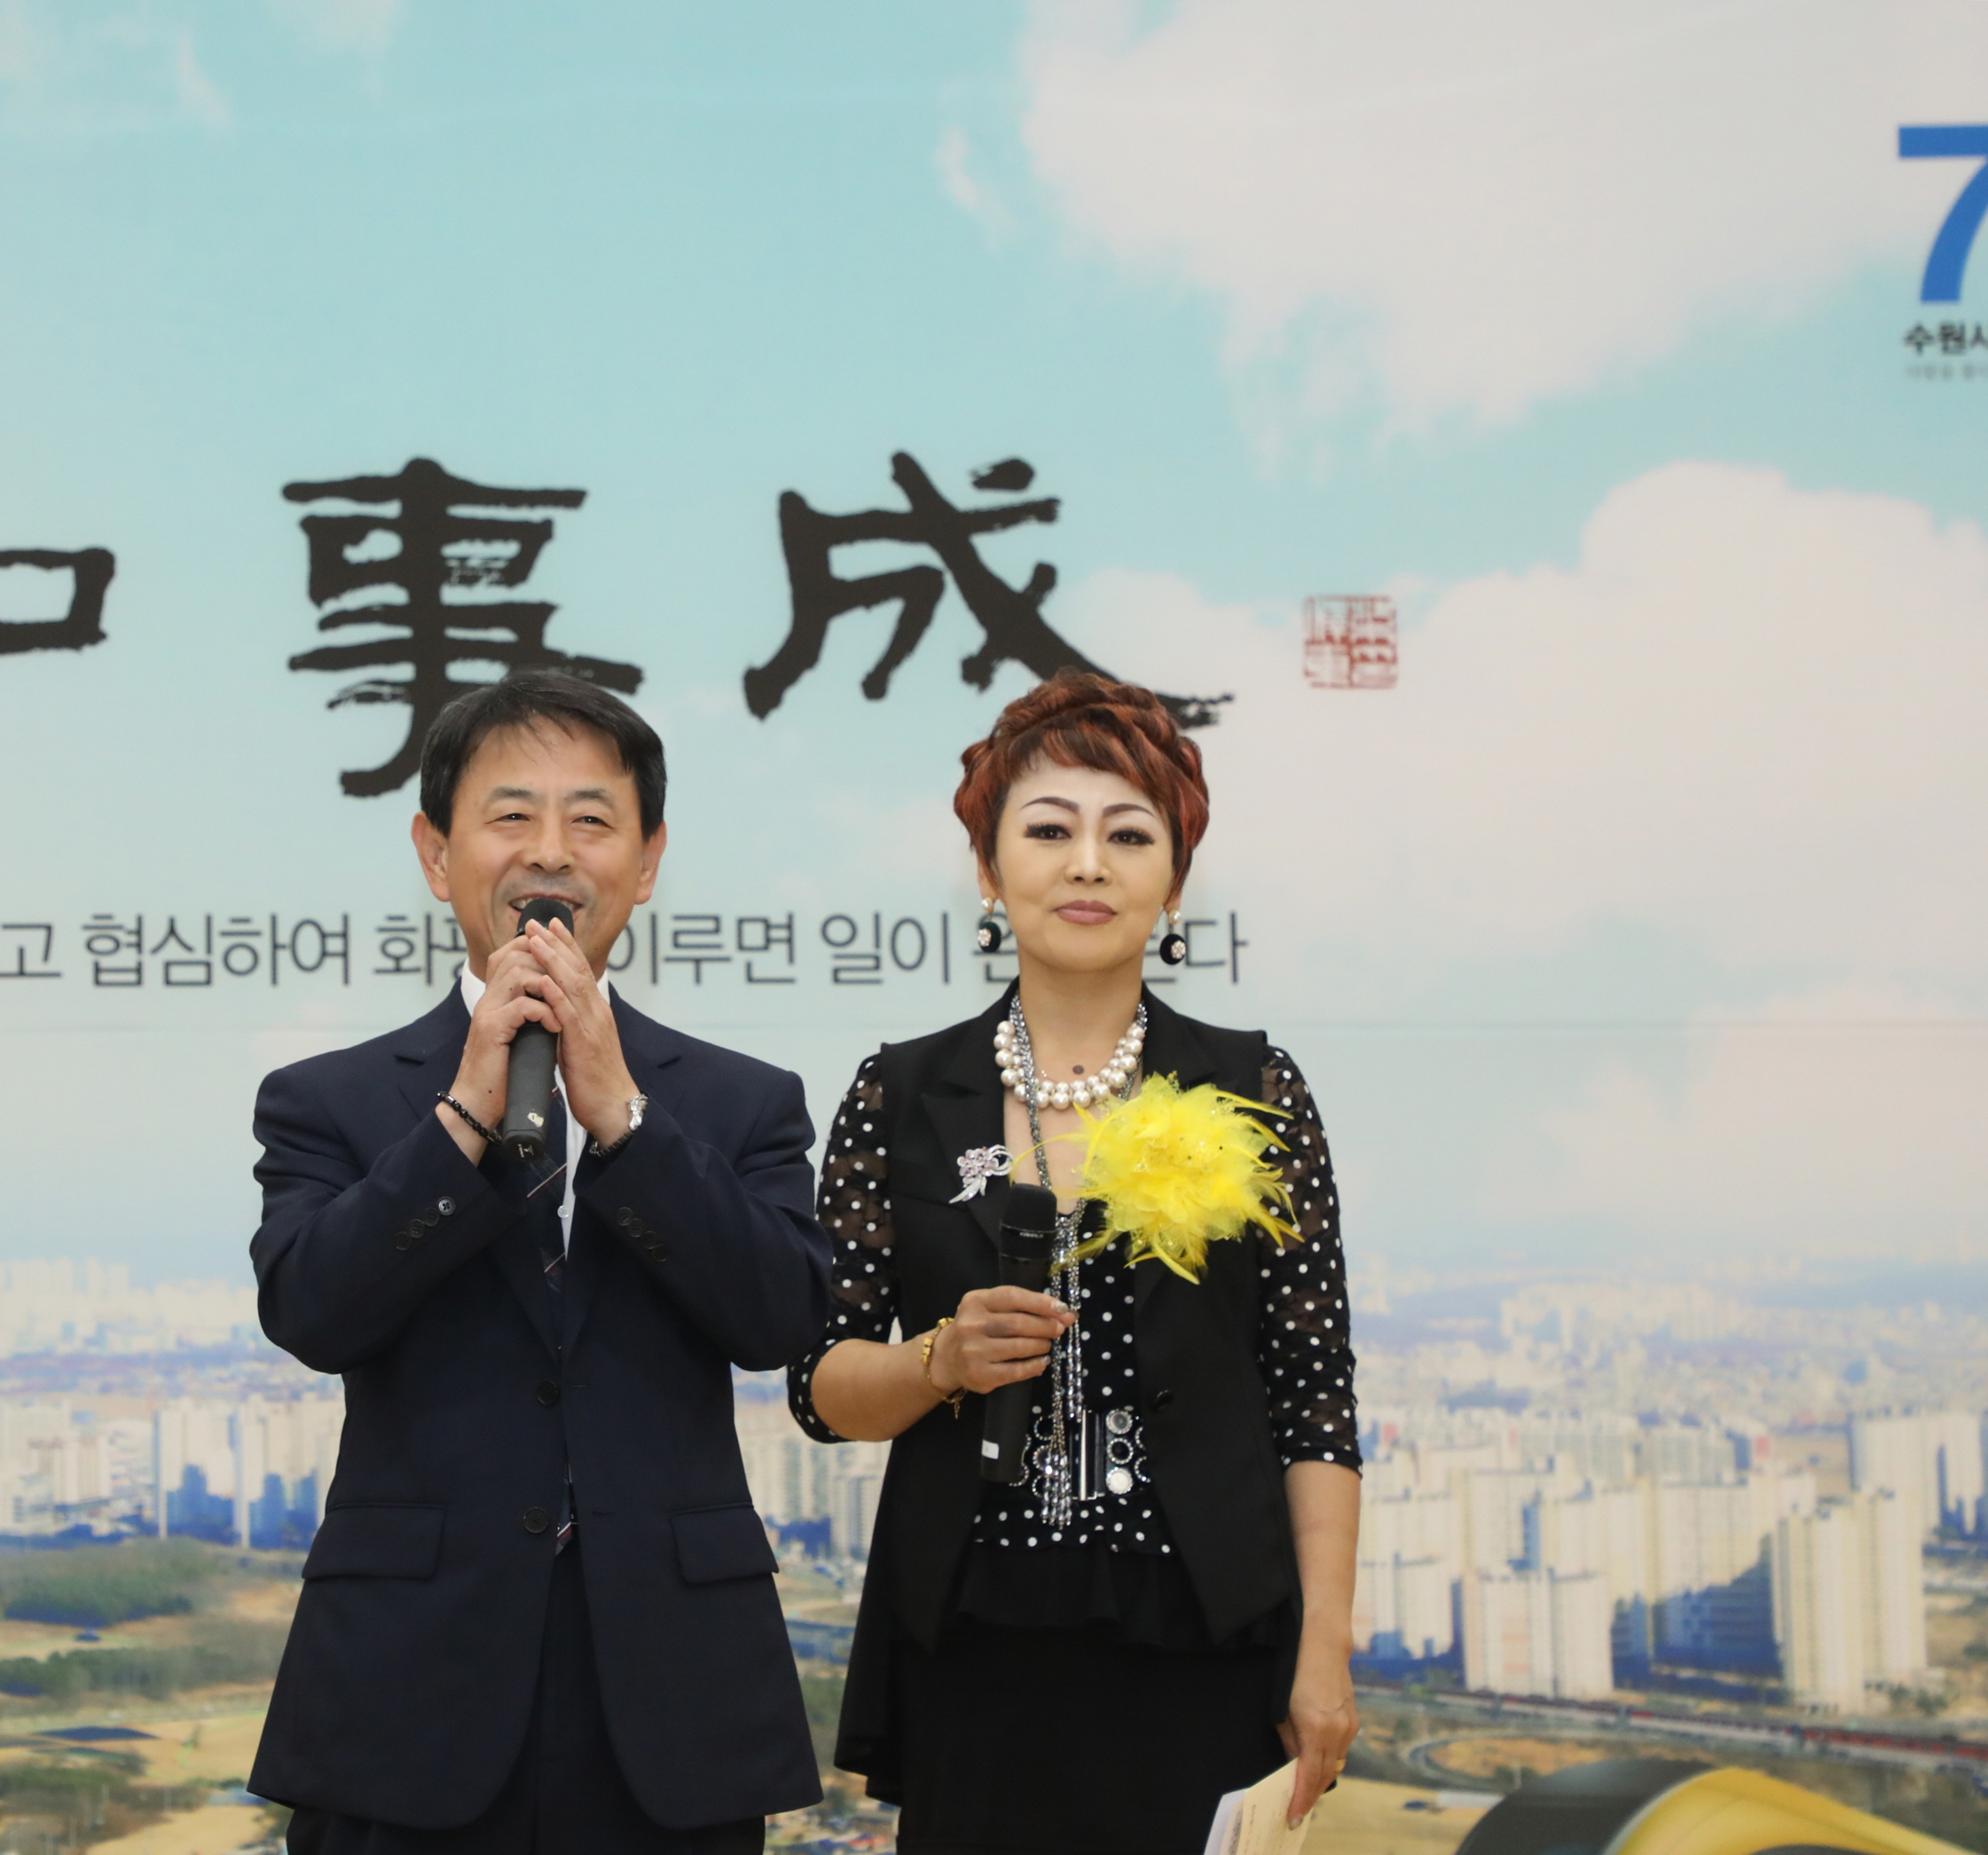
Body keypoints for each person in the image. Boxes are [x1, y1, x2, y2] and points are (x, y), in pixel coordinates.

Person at [248, 673, 829, 1854]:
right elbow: (311, 1310)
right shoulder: (329, 1100)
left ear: (648, 861)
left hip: (671, 1701)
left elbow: (780, 1318)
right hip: (406, 1695)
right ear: (435, 852)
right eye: (510, 815)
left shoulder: (741, 1103)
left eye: (591, 819)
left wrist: (623, 1118)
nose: (550, 851)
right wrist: (464, 1115)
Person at [788, 669, 1362, 1855]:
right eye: (1048, 831)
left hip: (1207, 1639)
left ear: (1175, 880)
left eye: (1128, 835)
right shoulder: (900, 1092)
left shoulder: (1252, 1088)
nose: (1087, 865)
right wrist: (940, 1361)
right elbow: (820, 1387)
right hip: (974, 1643)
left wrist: (1324, 1650)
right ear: (989, 870)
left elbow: (1311, 1399)